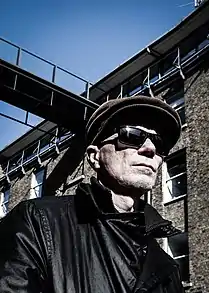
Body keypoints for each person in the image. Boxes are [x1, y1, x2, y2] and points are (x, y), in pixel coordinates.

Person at [0, 96, 184, 293]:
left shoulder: (167, 267)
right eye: (131, 135)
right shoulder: (36, 222)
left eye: (158, 143)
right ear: (94, 156)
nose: (150, 149)